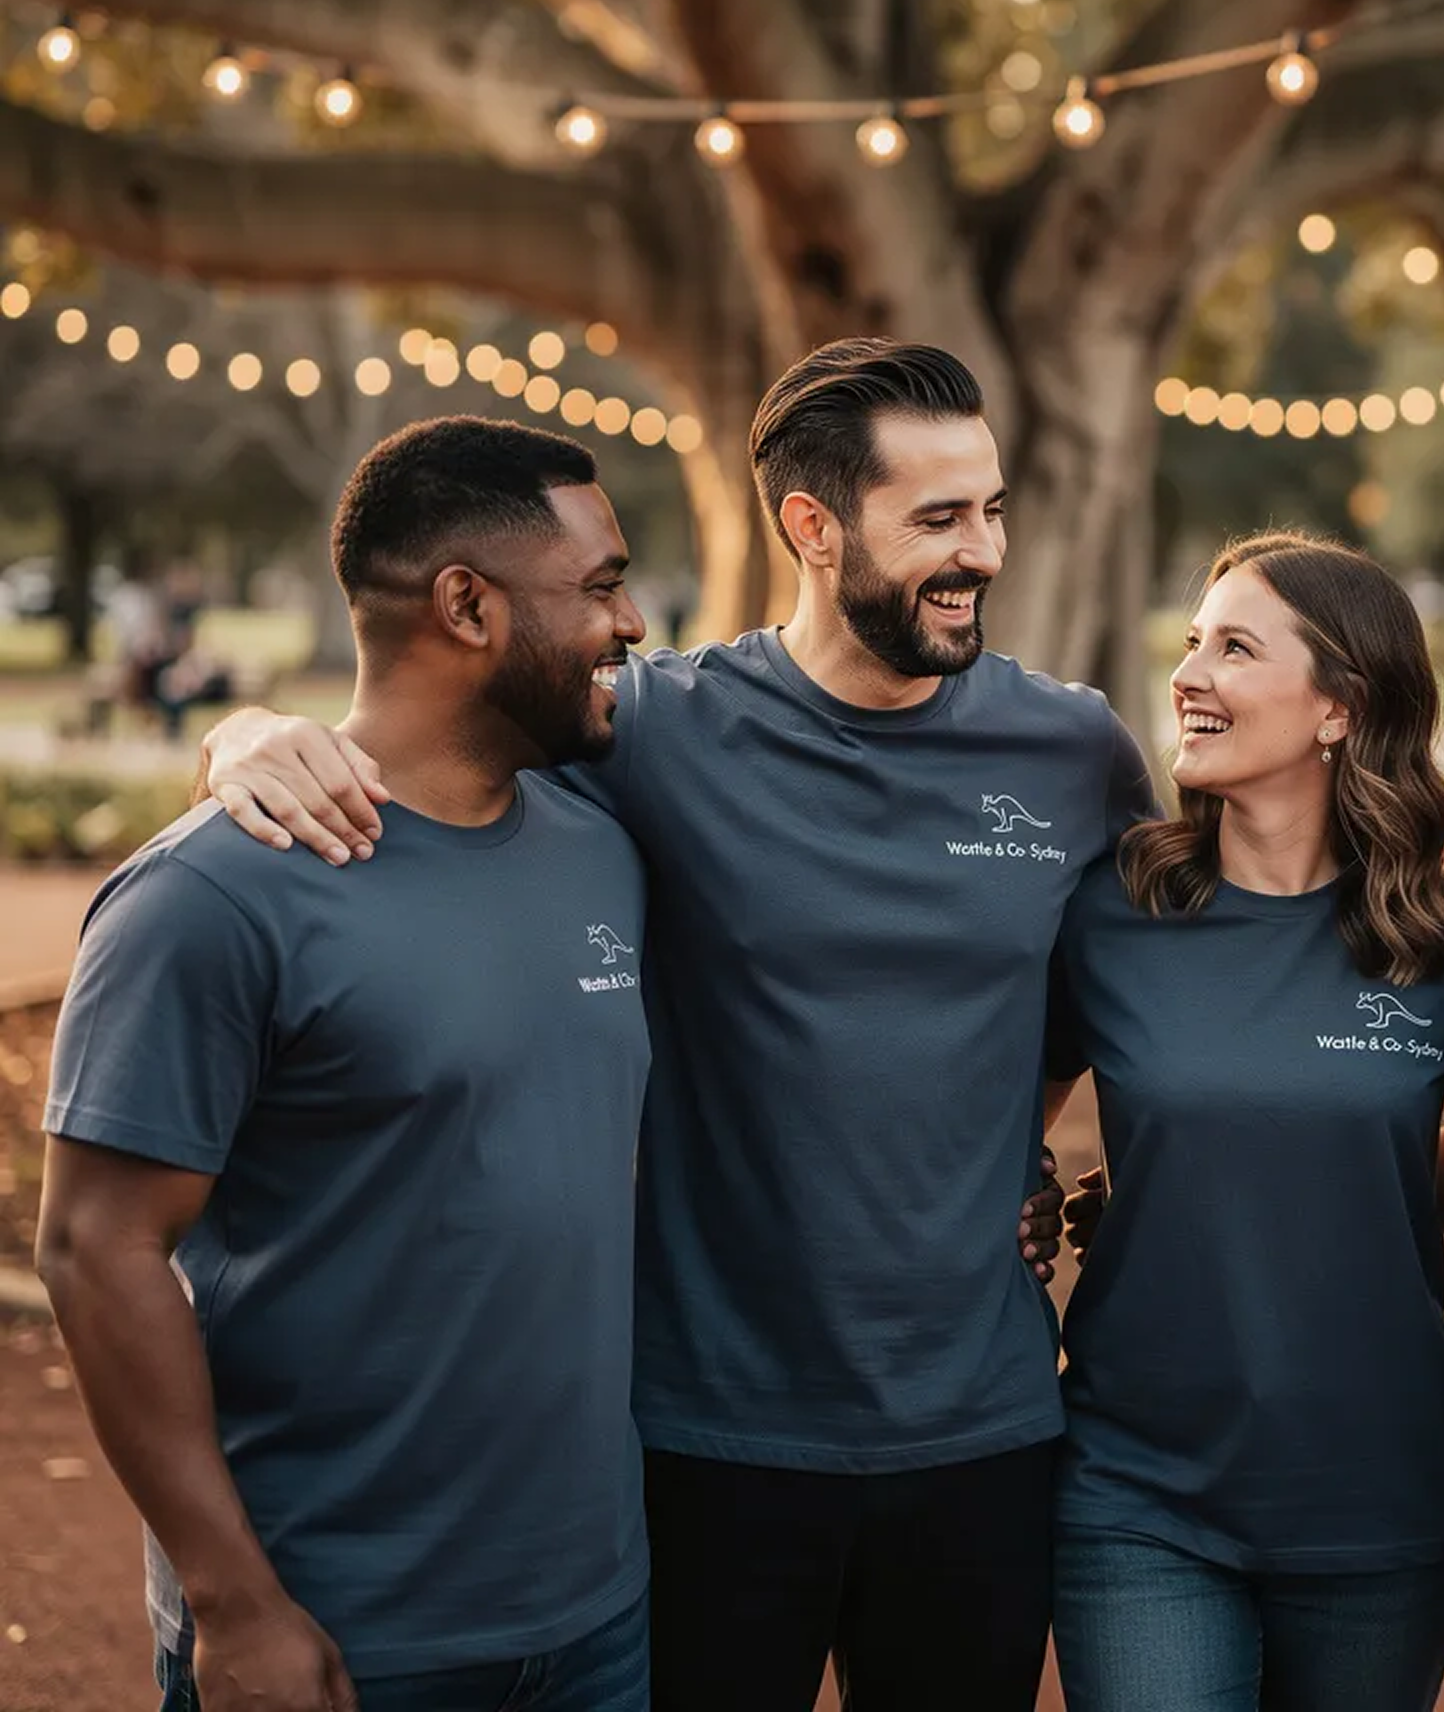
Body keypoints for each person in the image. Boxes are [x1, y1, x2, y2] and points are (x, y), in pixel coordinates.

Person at [197, 340, 1153, 1712]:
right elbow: (426, 751)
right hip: (706, 1435)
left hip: (982, 1429)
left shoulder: (1074, 751)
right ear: (812, 528)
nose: (983, 551)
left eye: (992, 509)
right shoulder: (649, 731)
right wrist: (240, 735)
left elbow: (1111, 998)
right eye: (938, 519)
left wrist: (1012, 1137)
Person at [35, 417, 655, 1712]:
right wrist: (234, 1603)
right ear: (468, 605)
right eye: (599, 586)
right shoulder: (210, 897)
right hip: (338, 1627)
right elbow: (98, 1248)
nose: (634, 621)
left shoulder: (603, 838)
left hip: (598, 1620)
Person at [1046, 532, 1444, 1712]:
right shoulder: (1108, 908)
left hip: (1379, 1497)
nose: (1187, 671)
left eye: (1233, 647)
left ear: (1340, 706)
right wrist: (1048, 1196)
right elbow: (995, 1136)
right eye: (1189, 641)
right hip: (1137, 1492)